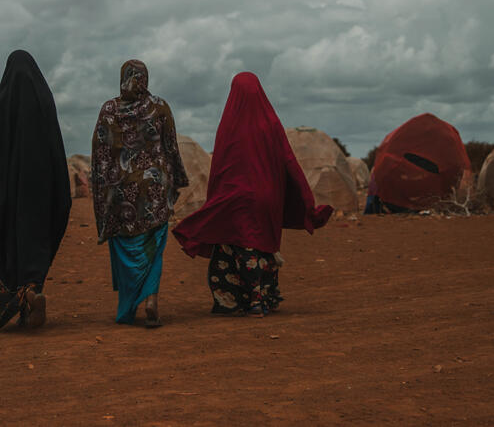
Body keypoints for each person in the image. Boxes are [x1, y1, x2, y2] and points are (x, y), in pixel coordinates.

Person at [173, 72, 332, 316]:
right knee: (260, 247)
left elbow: (220, 169)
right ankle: (261, 299)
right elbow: (289, 162)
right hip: (266, 200)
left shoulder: (229, 124)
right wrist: (306, 202)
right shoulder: (270, 124)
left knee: (234, 247)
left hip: (234, 199)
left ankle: (233, 301)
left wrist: (216, 199)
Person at [0, 50, 72, 330]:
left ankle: (20, 297)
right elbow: (56, 147)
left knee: (10, 243)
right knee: (36, 241)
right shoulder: (44, 101)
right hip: (42, 192)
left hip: (9, 194)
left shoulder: (2, 103)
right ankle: (32, 289)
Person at [91, 60, 188, 327]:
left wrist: (102, 192)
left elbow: (100, 154)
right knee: (154, 249)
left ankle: (130, 306)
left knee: (126, 250)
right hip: (154, 193)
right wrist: (176, 179)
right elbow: (171, 146)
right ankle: (151, 299)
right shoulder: (159, 106)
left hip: (121, 194)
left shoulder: (109, 110)